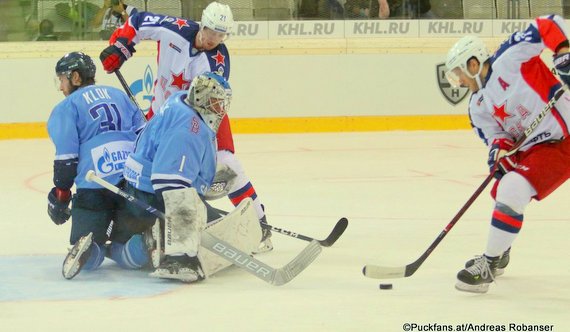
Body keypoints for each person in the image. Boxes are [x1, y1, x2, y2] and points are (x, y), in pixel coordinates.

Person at [99, 1, 273, 253]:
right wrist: (121, 47)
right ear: (202, 24)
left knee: (228, 164)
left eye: (221, 34)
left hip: (200, 121)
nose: (214, 38)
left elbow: (210, 104)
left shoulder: (218, 60)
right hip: (161, 116)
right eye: (211, 31)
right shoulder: (176, 29)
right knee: (140, 165)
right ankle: (140, 225)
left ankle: (260, 224)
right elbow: (137, 21)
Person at [444, 14, 570, 293]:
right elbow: (497, 137)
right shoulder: (477, 106)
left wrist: (563, 53)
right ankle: (499, 255)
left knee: (512, 188)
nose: (459, 81)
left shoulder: (509, 59)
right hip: (539, 147)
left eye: (459, 73)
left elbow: (546, 23)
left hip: (565, 137)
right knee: (505, 189)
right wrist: (501, 154)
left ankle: (488, 264)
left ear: (473, 63)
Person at [120, 72, 233, 282]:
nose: (221, 110)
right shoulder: (188, 127)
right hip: (145, 196)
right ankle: (177, 261)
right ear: (202, 98)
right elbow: (170, 183)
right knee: (207, 225)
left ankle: (160, 236)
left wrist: (201, 181)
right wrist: (183, 239)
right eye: (217, 103)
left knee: (215, 224)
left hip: (139, 188)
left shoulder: (182, 101)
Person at [47, 52, 147, 280]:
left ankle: (93, 249)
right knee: (127, 248)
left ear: (75, 77)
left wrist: (61, 197)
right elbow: (145, 138)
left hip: (95, 185)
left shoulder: (67, 108)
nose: (61, 87)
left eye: (62, 80)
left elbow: (66, 161)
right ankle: (141, 246)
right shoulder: (120, 96)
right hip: (132, 183)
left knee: (90, 256)